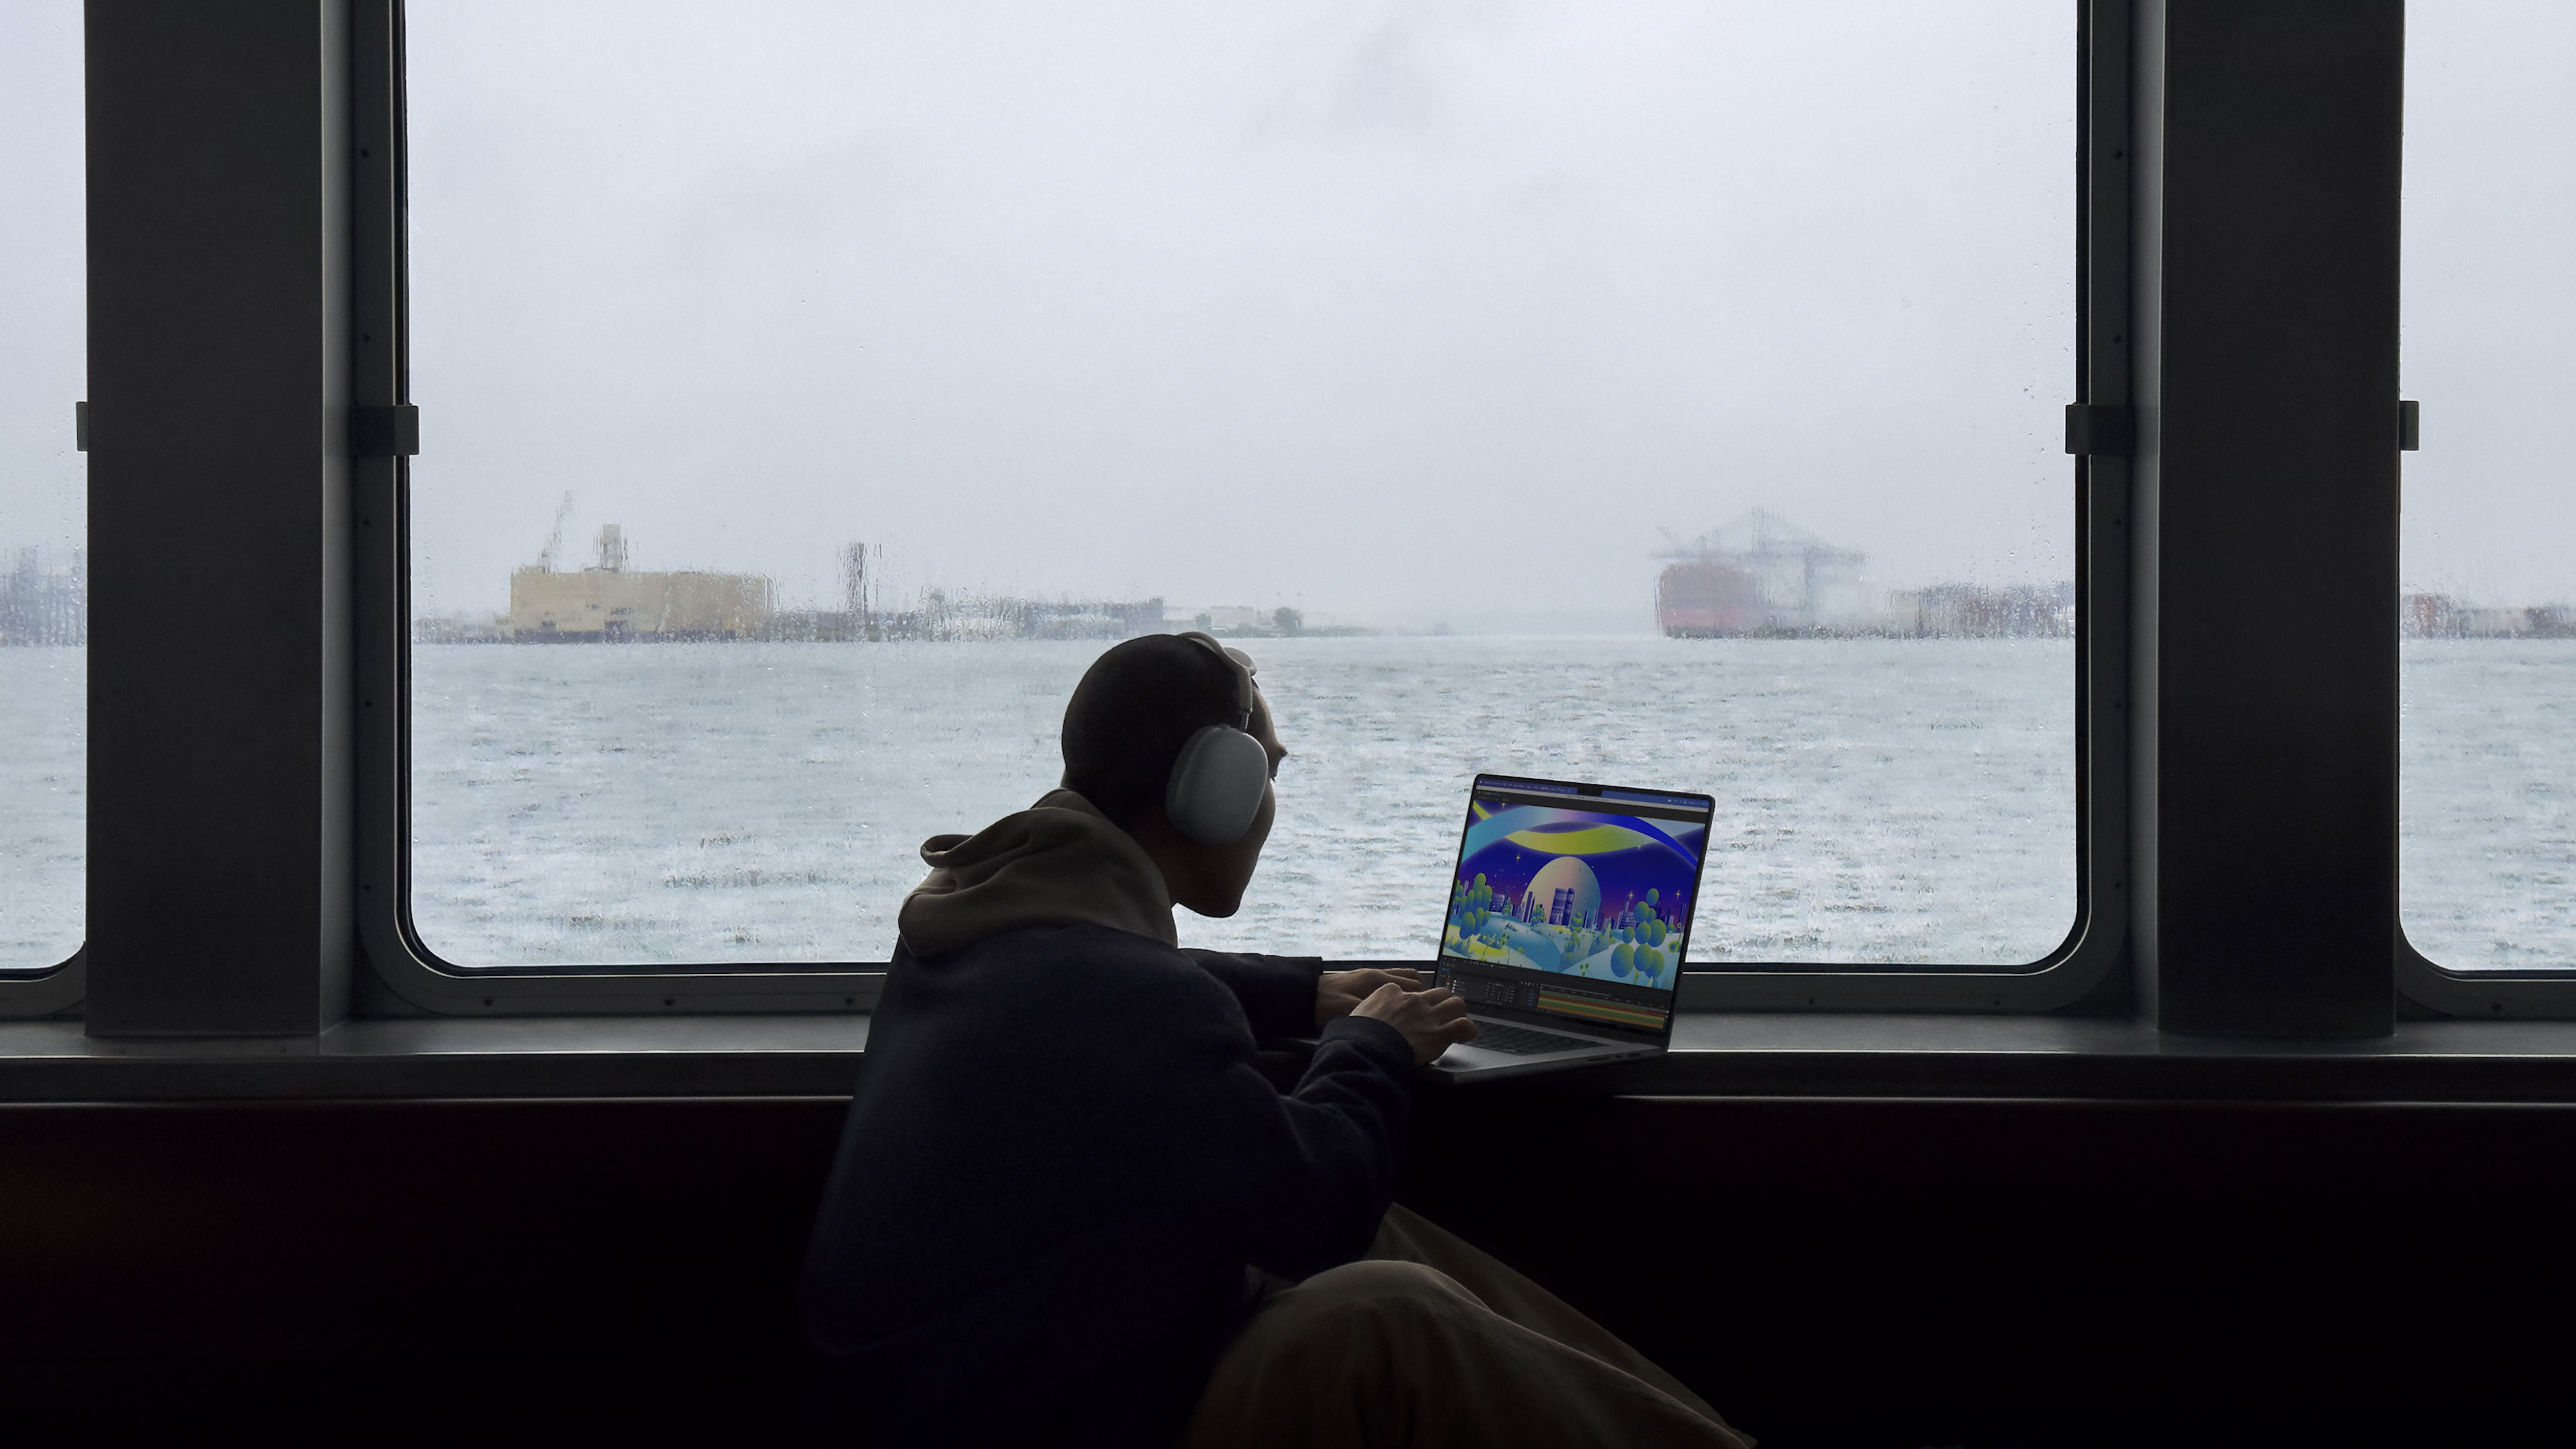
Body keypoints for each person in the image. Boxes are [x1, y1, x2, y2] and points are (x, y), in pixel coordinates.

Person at [801, 633, 1748, 1447]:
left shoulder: (971, 923)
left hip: (972, 1401)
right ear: (1217, 789)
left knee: (1386, 1238)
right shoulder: (1126, 1001)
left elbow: (1105, 985)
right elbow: (1320, 1204)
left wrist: (1310, 994)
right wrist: (1373, 1044)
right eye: (1270, 770)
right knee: (1390, 1316)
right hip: (1050, 1425)